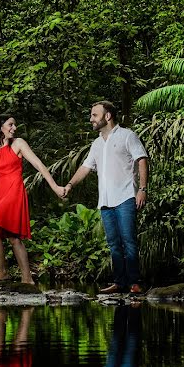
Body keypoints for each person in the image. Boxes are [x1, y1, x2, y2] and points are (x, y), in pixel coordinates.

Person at [61, 101, 149, 294]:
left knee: (129, 241)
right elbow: (85, 167)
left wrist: (142, 189)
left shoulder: (127, 136)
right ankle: (119, 282)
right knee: (114, 244)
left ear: (107, 116)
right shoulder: (96, 143)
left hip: (126, 197)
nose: (91, 119)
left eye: (94, 115)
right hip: (106, 202)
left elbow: (141, 159)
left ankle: (134, 283)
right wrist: (69, 185)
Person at [0, 114, 65, 284]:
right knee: (11, 236)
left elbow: (38, 165)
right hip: (1, 193)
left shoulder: (19, 143)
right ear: (1, 127)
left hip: (15, 190)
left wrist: (55, 187)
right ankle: (24, 278)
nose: (14, 128)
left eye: (15, 125)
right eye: (10, 125)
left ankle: (6, 273)